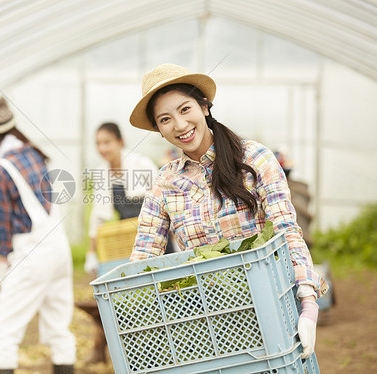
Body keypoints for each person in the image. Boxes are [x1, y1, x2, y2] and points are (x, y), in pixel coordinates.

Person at [128, 63, 329, 359]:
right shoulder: (165, 183)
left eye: (185, 110)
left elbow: (286, 229)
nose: (180, 125)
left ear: (205, 107)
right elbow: (144, 254)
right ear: (159, 130)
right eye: (165, 119)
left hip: (274, 303)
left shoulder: (254, 158)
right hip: (210, 320)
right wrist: (131, 304)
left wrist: (308, 300)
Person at [0, 96, 76, 374]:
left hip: (32, 256)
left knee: (3, 333)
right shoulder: (33, 153)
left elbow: (3, 227)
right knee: (59, 327)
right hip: (58, 250)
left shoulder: (1, 170)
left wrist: (1, 268)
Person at [84, 122, 160, 275]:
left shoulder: (141, 164)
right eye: (98, 144)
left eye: (107, 142)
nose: (102, 148)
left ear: (120, 142)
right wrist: (91, 253)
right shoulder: (102, 174)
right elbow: (97, 217)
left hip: (156, 235)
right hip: (129, 239)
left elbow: (164, 199)